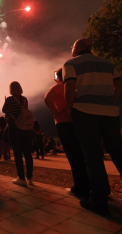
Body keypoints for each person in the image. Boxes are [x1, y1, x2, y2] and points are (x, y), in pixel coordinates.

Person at [64, 38, 122, 216]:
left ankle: (99, 200)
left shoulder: (71, 63)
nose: (72, 49)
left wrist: (69, 109)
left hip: (84, 111)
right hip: (109, 113)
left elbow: (70, 86)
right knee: (120, 153)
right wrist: (111, 101)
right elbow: (119, 85)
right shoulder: (107, 63)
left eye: (72, 46)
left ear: (79, 47)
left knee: (93, 155)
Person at [44, 68, 89, 197]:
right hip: (78, 121)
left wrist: (55, 112)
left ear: (58, 77)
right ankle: (90, 184)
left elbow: (47, 99)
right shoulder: (76, 87)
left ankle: (79, 187)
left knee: (73, 155)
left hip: (64, 122)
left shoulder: (58, 87)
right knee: (82, 153)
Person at [3, 81, 34, 186]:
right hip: (25, 128)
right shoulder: (24, 99)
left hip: (14, 128)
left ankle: (21, 178)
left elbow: (4, 110)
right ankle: (29, 177)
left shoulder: (9, 99)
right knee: (27, 152)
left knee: (17, 153)